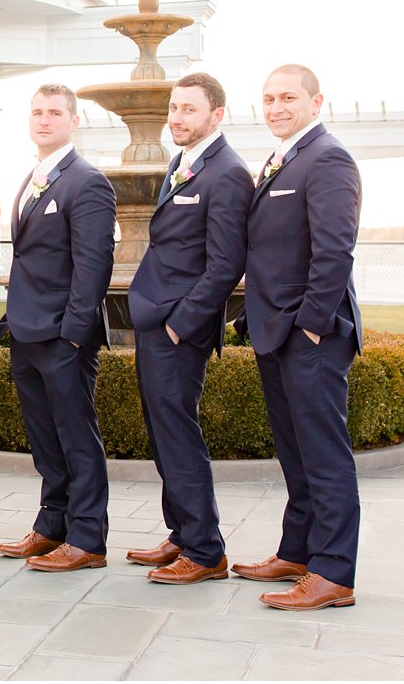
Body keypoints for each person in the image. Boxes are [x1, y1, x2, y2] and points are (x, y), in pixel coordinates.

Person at [233, 64, 363, 611]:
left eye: (288, 97)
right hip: (275, 329)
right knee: (294, 450)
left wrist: (309, 324)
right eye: (268, 99)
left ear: (316, 101)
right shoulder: (283, 157)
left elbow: (335, 251)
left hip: (312, 332)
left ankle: (333, 572)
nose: (277, 107)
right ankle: (298, 550)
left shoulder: (328, 159)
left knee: (323, 453)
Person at [125, 73, 251, 584]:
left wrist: (181, 325)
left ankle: (205, 550)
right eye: (174, 108)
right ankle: (180, 533)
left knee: (178, 435)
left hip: (180, 327)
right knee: (162, 433)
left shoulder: (228, 173)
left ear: (216, 115)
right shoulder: (182, 162)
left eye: (189, 110)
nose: (176, 118)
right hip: (157, 318)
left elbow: (226, 264)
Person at [0, 84, 116, 573]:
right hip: (26, 330)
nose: (44, 121)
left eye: (54, 113)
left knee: (76, 436)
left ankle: (88, 539)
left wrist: (72, 332)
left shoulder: (86, 181)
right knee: (44, 437)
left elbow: (94, 265)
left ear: (74, 121)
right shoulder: (32, 177)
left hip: (63, 336)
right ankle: (52, 526)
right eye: (37, 112)